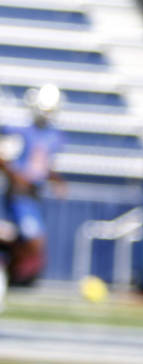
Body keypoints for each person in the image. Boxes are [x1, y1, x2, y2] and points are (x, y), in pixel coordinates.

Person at [0, 84, 66, 288]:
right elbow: (4, 157)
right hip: (18, 194)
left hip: (34, 196)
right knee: (31, 239)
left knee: (26, 240)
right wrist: (15, 175)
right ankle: (10, 276)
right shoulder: (19, 131)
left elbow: (43, 166)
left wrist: (56, 180)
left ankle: (11, 276)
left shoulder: (55, 136)